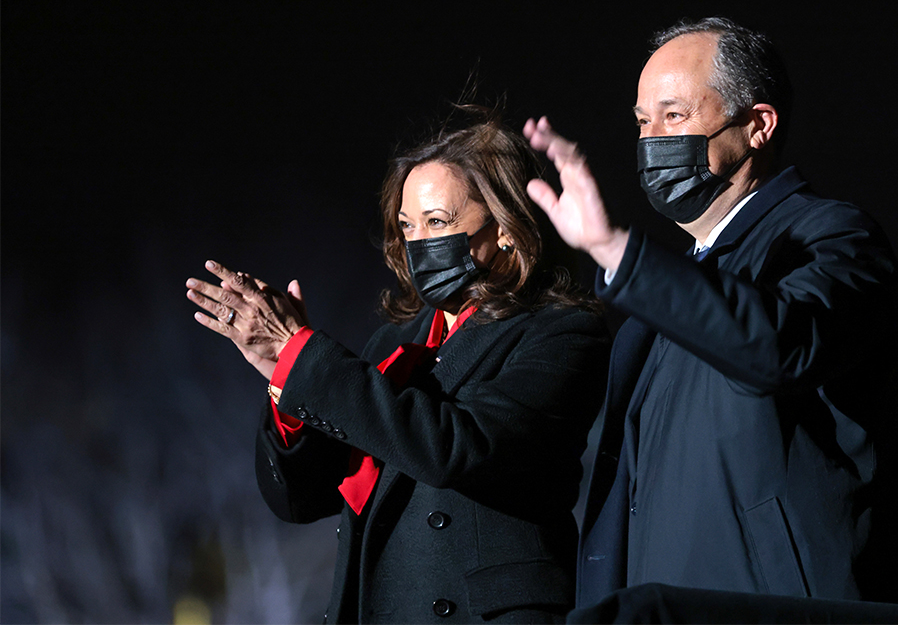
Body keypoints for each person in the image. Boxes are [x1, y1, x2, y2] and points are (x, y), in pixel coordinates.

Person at [522, 17, 898, 611]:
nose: (652, 139)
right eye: (642, 122)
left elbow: (784, 344)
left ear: (758, 126)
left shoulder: (832, 235)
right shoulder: (660, 299)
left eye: (674, 115)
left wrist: (615, 251)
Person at [185, 111, 611, 623]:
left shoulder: (561, 330)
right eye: (408, 226)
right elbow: (300, 500)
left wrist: (305, 356)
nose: (417, 244)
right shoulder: (395, 341)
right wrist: (285, 377)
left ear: (503, 226)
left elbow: (456, 447)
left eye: (437, 222)